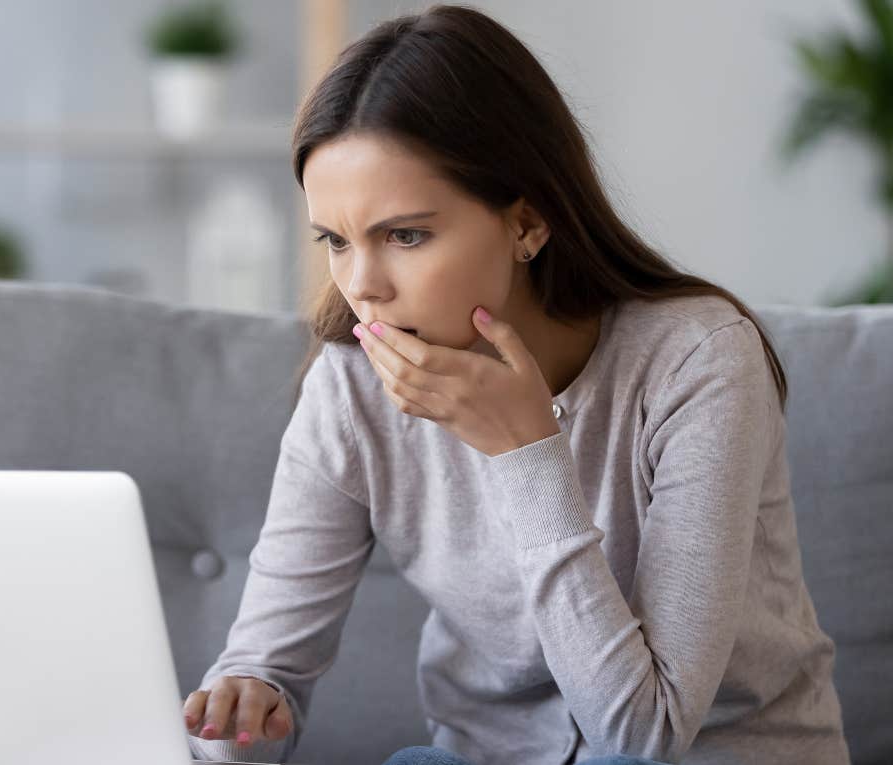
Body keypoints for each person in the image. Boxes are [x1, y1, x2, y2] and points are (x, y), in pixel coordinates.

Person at [182, 4, 849, 764]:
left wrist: (526, 452)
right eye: (335, 240)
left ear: (527, 223)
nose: (363, 285)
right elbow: (264, 671)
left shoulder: (698, 362)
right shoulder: (351, 387)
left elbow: (645, 736)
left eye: (406, 235)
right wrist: (240, 714)